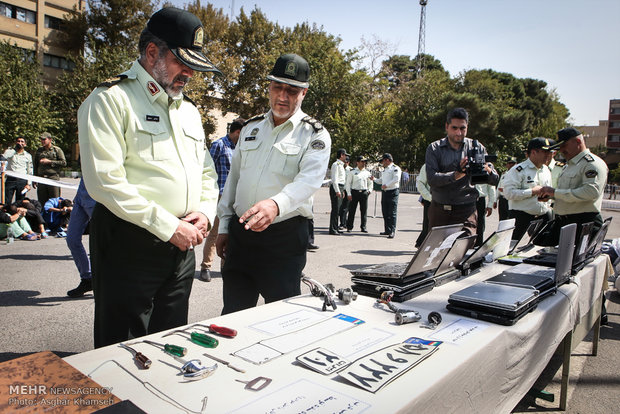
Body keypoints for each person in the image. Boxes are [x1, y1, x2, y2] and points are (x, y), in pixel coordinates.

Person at [78, 7, 220, 348]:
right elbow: (105, 182)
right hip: (130, 243)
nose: (189, 73)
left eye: (194, 66)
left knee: (171, 343)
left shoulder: (188, 109)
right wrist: (169, 226)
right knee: (124, 350)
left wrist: (204, 211)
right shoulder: (111, 100)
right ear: (152, 52)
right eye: (181, 62)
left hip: (183, 243)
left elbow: (205, 171)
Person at [216, 53, 331, 315]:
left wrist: (275, 205)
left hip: (284, 239)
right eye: (277, 87)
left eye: (291, 90)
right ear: (269, 87)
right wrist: (224, 225)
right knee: (233, 314)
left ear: (304, 92)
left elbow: (309, 181)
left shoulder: (314, 134)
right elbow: (234, 180)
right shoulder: (251, 127)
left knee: (280, 318)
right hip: (241, 236)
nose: (282, 96)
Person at [425, 107, 499, 237]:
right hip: (441, 209)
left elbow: (495, 179)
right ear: (447, 126)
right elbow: (432, 179)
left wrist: (487, 171)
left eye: (462, 128)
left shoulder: (477, 147)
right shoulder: (435, 148)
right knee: (437, 252)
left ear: (467, 127)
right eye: (454, 128)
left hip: (466, 210)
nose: (459, 133)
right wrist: (456, 174)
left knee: (463, 249)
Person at [539, 128, 608, 245]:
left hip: (583, 223)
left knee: (572, 262)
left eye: (564, 145)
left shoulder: (592, 164)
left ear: (578, 141)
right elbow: (570, 192)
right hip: (563, 222)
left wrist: (555, 192)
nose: (561, 150)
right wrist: (552, 196)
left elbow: (591, 192)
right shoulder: (569, 165)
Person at [199, 117, 245, 282]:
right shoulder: (220, 145)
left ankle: (226, 267)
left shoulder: (242, 147)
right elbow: (207, 169)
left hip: (237, 196)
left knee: (232, 233)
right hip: (220, 195)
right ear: (237, 132)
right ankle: (206, 266)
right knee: (216, 232)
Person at [503, 138, 554, 241]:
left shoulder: (546, 170)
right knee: (511, 247)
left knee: (543, 247)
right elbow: (508, 193)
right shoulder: (519, 170)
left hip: (542, 215)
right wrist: (532, 192)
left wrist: (547, 197)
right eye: (544, 152)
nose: (548, 155)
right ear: (533, 152)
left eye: (549, 152)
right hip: (521, 216)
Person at [66, 179, 97, 298]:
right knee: (72, 240)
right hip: (81, 197)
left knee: (104, 243)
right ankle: (87, 279)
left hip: (97, 199)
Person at [34, 132, 66, 206]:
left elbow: (63, 163)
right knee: (42, 202)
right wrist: (35, 178)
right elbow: (36, 165)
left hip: (53, 178)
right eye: (41, 139)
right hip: (41, 178)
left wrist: (49, 162)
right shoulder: (39, 150)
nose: (42, 141)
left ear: (50, 140)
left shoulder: (57, 150)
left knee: (55, 201)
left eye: (44, 139)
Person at [375, 153, 401, 238]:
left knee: (392, 212)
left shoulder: (395, 168)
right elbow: (381, 180)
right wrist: (374, 179)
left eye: (383, 161)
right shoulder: (385, 170)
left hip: (393, 192)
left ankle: (392, 231)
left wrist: (387, 185)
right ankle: (387, 230)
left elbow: (396, 179)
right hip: (385, 192)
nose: (382, 163)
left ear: (387, 160)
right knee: (385, 212)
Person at [345, 156, 373, 233]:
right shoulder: (352, 172)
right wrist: (349, 193)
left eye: (364, 162)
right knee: (352, 210)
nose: (363, 163)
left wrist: (369, 191)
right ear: (357, 162)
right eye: (362, 161)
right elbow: (348, 183)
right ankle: (349, 227)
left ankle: (363, 227)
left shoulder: (367, 172)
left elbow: (370, 183)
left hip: (364, 192)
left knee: (364, 211)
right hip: (354, 192)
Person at [3, 137, 33, 204]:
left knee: (19, 202)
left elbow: (30, 170)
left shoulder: (28, 156)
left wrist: (29, 184)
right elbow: (5, 157)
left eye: (22, 141)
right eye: (18, 141)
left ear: (25, 144)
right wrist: (15, 150)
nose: (20, 143)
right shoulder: (10, 152)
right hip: (10, 179)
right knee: (7, 201)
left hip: (22, 180)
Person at [329, 148, 348, 235]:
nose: (346, 157)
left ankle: (335, 227)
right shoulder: (336, 165)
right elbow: (335, 179)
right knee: (335, 209)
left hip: (340, 187)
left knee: (338, 209)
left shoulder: (341, 165)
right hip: (336, 187)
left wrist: (342, 190)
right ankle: (333, 229)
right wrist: (337, 190)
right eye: (345, 155)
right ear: (341, 155)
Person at [415, 163, 432, 247]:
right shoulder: (426, 166)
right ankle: (421, 244)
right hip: (430, 200)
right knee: (427, 224)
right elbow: (420, 184)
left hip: (445, 200)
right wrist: (429, 197)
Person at [339, 155, 352, 229]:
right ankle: (343, 222)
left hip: (347, 190)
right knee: (340, 208)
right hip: (341, 189)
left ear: (348, 162)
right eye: (344, 162)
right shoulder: (340, 168)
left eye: (346, 162)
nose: (345, 163)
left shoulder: (350, 170)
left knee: (345, 208)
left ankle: (343, 223)